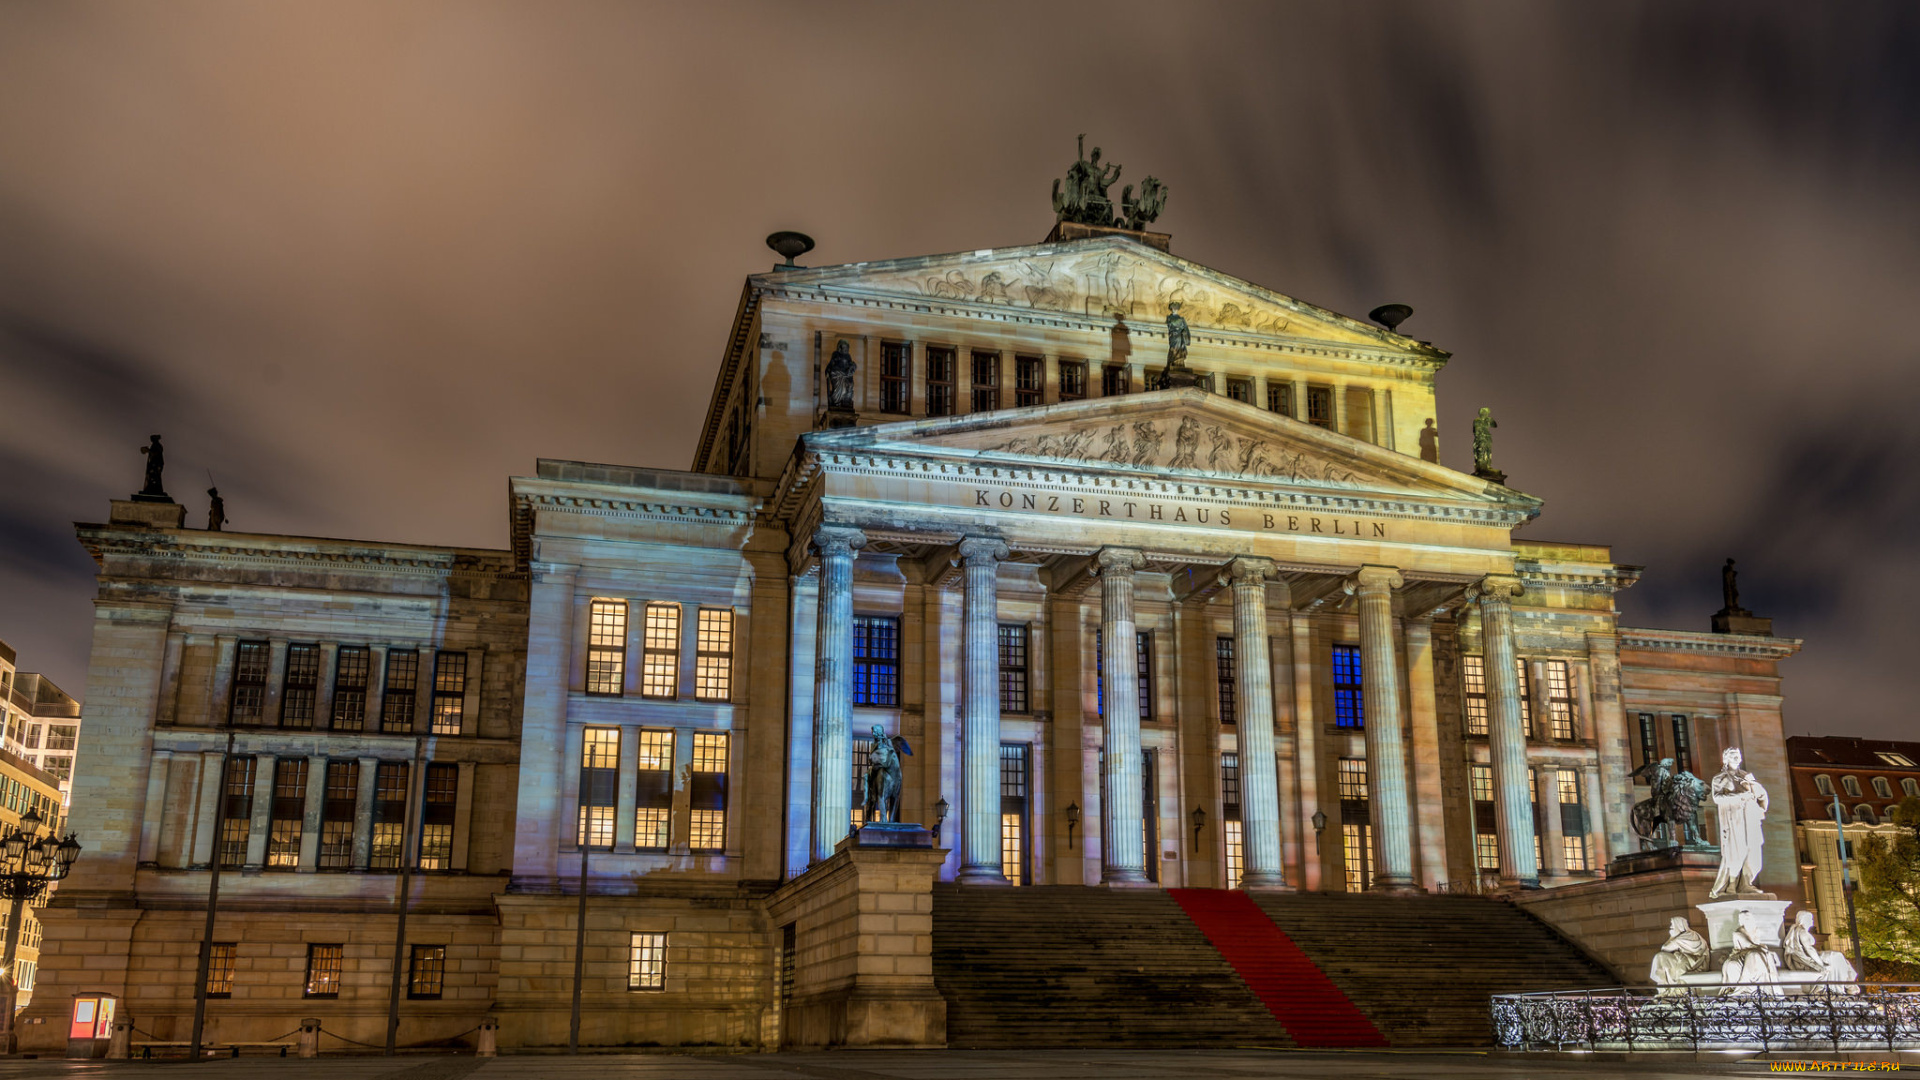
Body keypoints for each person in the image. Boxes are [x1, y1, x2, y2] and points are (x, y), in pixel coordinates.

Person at [1709, 746, 1770, 898]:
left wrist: (1755, 788)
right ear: (1726, 759)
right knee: (1737, 850)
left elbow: (1761, 795)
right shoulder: (1719, 778)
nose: (1736, 758)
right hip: (1734, 819)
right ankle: (1731, 883)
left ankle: (1747, 883)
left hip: (1751, 817)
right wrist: (1739, 797)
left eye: (1738, 755)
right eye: (1733, 756)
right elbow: (1717, 798)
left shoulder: (1747, 776)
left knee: (1753, 851)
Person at [1782, 909, 1857, 987]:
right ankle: (1846, 984)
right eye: (1810, 919)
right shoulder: (1802, 932)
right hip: (1809, 957)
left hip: (1811, 955)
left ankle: (1847, 983)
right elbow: (1810, 950)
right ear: (1804, 920)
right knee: (1837, 956)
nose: (1812, 921)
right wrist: (1821, 965)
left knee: (1838, 957)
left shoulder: (1799, 931)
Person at [1719, 912, 1781, 995]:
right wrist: (1766, 950)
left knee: (1755, 955)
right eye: (1745, 919)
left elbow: (1756, 946)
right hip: (1741, 955)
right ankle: (1745, 989)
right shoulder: (1738, 933)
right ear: (1741, 921)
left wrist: (1766, 951)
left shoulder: (1757, 931)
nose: (1748, 920)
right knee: (1745, 959)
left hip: (1754, 952)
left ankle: (1757, 990)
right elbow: (1750, 945)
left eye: (1749, 918)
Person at [1649, 916, 1709, 992]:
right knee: (1662, 958)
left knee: (1661, 957)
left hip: (1692, 963)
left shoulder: (1684, 937)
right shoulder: (1690, 934)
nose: (1670, 927)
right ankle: (1664, 986)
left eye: (1672, 926)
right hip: (1689, 960)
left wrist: (1672, 937)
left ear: (1678, 926)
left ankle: (1667, 988)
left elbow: (1665, 948)